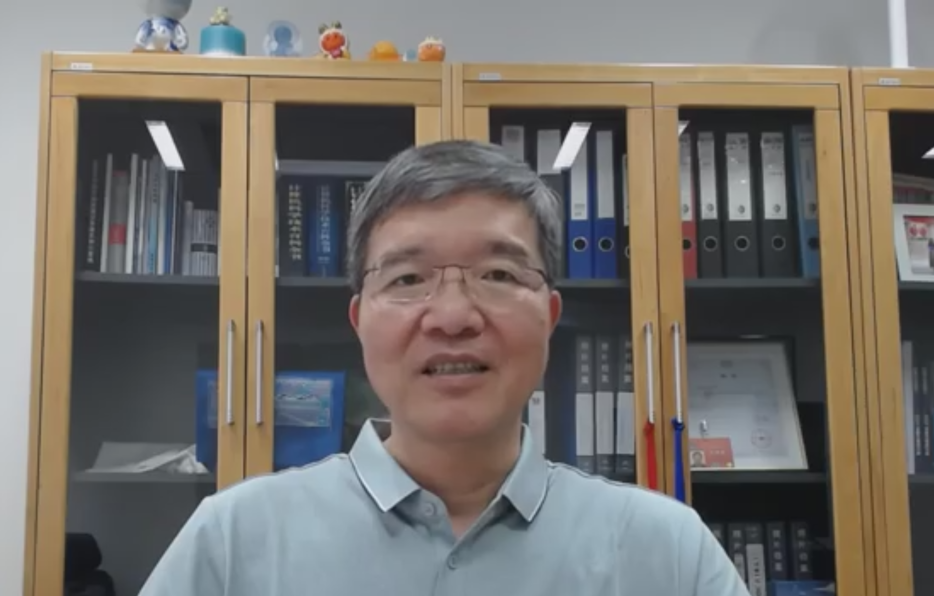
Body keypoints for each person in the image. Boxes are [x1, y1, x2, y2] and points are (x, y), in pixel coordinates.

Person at [137, 140, 750, 596]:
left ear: (549, 317)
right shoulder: (233, 541)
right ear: (359, 320)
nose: (453, 316)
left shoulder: (669, 552)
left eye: (499, 274)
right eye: (407, 279)